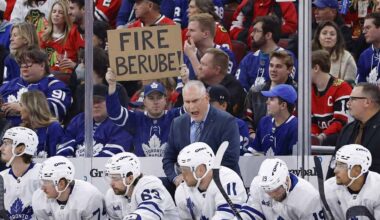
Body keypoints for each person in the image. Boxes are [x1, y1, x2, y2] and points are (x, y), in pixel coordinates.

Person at [163, 80, 240, 188]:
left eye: (195, 101)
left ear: (206, 98)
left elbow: (230, 159)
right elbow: (168, 159)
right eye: (187, 102)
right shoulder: (177, 123)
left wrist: (198, 178)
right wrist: (176, 178)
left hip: (221, 187)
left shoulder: (226, 121)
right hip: (188, 189)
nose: (191, 106)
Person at [106, 68, 183, 157]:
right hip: (142, 170)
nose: (155, 102)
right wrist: (112, 85)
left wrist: (185, 81)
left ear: (165, 100)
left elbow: (189, 108)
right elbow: (114, 113)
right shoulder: (136, 119)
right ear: (144, 102)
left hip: (169, 169)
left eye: (159, 97)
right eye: (151, 98)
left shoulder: (173, 116)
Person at [0, 46, 72, 126]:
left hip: (37, 132)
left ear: (42, 65)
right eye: (22, 65)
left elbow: (55, 110)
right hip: (5, 130)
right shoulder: (12, 83)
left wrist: (22, 109)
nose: (24, 69)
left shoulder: (55, 86)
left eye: (28, 65)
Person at [175, 142, 247, 219]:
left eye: (185, 170)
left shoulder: (228, 179)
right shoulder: (182, 191)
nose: (182, 175)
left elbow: (226, 216)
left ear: (200, 170)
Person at [57, 84, 133, 157]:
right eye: (92, 102)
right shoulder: (78, 120)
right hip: (76, 167)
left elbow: (116, 151)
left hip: (106, 168)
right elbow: (65, 145)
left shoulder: (121, 122)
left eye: (100, 101)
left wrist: (91, 167)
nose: (96, 105)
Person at [239, 158, 323, 219]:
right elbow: (252, 212)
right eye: (267, 191)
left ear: (286, 181)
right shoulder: (258, 184)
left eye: (275, 190)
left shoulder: (309, 198)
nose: (271, 195)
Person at [327, 83, 380, 178]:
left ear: (367, 102)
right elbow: (335, 164)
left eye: (353, 99)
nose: (348, 103)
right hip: (344, 190)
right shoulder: (348, 129)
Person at [104, 152, 180, 219]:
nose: (111, 183)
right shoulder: (111, 195)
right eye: (110, 178)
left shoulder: (150, 184)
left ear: (130, 178)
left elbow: (149, 213)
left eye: (116, 178)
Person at [244, 50, 297, 139]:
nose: (273, 70)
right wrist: (252, 134)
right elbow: (246, 118)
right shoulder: (255, 91)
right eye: (271, 65)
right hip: (257, 141)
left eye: (278, 66)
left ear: (289, 70)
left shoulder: (298, 93)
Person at [32, 156, 107, 219]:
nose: (42, 188)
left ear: (61, 183)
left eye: (46, 182)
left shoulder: (90, 197)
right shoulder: (38, 198)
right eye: (42, 181)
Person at [236, 15, 297, 91]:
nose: (251, 35)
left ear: (268, 35)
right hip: (250, 101)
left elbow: (289, 88)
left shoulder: (287, 57)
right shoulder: (248, 58)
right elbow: (239, 87)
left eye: (256, 31)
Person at [325, 144, 380, 219]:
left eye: (341, 165)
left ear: (357, 170)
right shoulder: (328, 188)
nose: (335, 170)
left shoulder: (377, 187)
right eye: (336, 164)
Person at [311, 50, 352, 146]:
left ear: (316, 68)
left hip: (340, 139)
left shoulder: (342, 87)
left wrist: (321, 137)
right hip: (320, 139)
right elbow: (312, 122)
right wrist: (313, 136)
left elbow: (341, 122)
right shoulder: (309, 90)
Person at [0, 127, 41, 219]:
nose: (1, 148)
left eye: (6, 143)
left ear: (21, 149)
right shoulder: (1, 177)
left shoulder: (42, 174)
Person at [184, 13, 237, 81]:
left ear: (205, 34)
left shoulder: (224, 55)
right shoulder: (187, 53)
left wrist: (192, 57)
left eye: (192, 30)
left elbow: (217, 87)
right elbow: (180, 85)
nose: (187, 34)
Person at [247, 84, 297, 156]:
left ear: (283, 105)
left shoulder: (296, 127)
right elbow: (254, 153)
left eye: (271, 99)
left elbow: (294, 162)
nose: (267, 102)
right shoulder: (264, 122)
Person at [198, 48, 246, 117]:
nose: (199, 67)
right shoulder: (198, 82)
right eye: (200, 63)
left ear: (217, 70)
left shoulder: (233, 89)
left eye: (204, 64)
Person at [207, 84, 251, 155]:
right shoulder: (200, 124)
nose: (206, 106)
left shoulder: (238, 125)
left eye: (210, 103)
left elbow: (240, 155)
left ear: (224, 105)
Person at [229, 0, 297, 45]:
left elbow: (291, 27)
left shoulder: (285, 3)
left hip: (275, 48)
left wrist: (266, 35)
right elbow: (234, 29)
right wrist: (251, 37)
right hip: (249, 47)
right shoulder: (246, 3)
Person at [20, 90, 64, 158]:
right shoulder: (23, 130)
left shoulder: (54, 128)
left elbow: (57, 158)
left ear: (30, 107)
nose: (19, 109)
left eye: (21, 105)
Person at [39, 0, 72, 73]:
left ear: (66, 16)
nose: (56, 14)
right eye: (54, 11)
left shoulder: (71, 36)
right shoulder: (42, 36)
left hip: (63, 74)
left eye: (60, 12)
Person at [357, 12, 380, 84]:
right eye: (363, 28)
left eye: (368, 28)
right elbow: (359, 85)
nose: (364, 32)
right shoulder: (364, 56)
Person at [61, 0, 85, 69]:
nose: (68, 12)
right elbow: (69, 60)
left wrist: (75, 66)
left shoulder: (100, 30)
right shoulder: (73, 32)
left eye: (72, 8)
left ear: (84, 9)